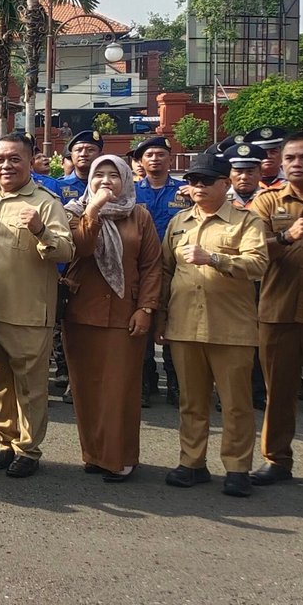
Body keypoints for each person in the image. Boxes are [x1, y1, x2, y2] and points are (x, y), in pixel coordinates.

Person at [159, 150, 268, 496]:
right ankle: (192, 462)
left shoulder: (245, 221)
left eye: (206, 181)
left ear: (226, 183)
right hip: (185, 325)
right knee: (192, 400)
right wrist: (160, 316)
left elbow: (258, 263)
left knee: (235, 403)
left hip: (230, 327)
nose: (198, 187)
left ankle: (237, 467)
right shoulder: (179, 223)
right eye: (193, 181)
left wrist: (215, 258)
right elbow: (164, 271)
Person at [0, 133, 74, 477]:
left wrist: (41, 230)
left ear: (31, 162)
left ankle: (28, 450)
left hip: (28, 311)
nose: (6, 165)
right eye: (0, 159)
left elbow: (65, 251)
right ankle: (3, 442)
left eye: (15, 159)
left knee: (30, 386)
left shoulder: (46, 202)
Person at [246, 132, 303, 499]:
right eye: (291, 159)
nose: (297, 164)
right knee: (278, 391)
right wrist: (285, 238)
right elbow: (248, 251)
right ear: (282, 164)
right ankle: (277, 460)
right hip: (278, 311)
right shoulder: (267, 203)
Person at [61, 155, 163, 481]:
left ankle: (121, 458)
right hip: (81, 313)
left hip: (124, 313)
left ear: (126, 180)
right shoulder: (74, 212)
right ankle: (94, 454)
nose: (105, 181)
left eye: (113, 176)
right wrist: (94, 209)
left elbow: (151, 267)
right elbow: (83, 246)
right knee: (86, 389)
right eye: (99, 176)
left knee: (120, 391)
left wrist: (146, 309)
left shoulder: (140, 217)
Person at [132, 135, 189, 408]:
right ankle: (145, 382)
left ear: (170, 158)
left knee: (172, 326)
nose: (155, 159)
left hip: (176, 267)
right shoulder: (131, 192)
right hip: (140, 267)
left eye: (160, 154)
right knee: (141, 329)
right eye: (149, 155)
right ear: (140, 161)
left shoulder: (184, 191)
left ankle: (176, 384)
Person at [56, 130, 104, 202]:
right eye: (78, 150)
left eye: (90, 150)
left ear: (100, 155)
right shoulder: (59, 185)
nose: (83, 154)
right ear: (71, 156)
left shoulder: (106, 184)